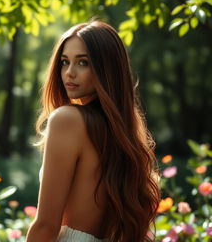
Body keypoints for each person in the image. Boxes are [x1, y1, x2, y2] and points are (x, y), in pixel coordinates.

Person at [25, 20, 160, 242]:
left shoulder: (67, 120)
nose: (69, 72)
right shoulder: (124, 136)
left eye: (83, 63)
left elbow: (46, 225)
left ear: (107, 69)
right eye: (64, 62)